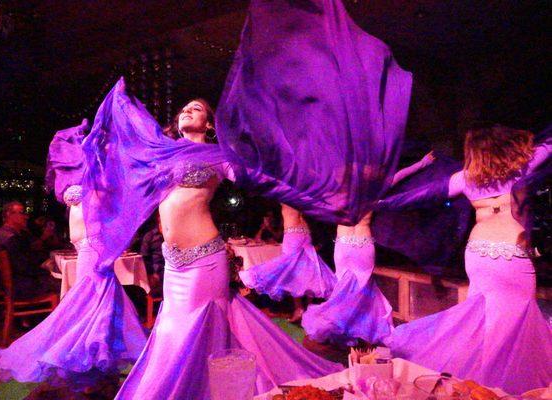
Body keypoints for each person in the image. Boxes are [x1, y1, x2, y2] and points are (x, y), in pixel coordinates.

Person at [102, 94, 342, 399]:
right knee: (172, 330)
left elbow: (256, 177)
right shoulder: (164, 153)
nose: (188, 110)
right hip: (173, 263)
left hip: (205, 258)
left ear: (209, 124)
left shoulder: (219, 156)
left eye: (197, 108)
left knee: (195, 331)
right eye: (184, 108)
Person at [385, 125, 551, 394]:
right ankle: (499, 387)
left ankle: (481, 386)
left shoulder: (466, 178)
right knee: (512, 324)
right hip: (510, 257)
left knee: (481, 322)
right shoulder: (525, 166)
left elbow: (419, 196)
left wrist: (379, 204)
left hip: (477, 256)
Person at [0, 121, 147, 394]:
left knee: (95, 295)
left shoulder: (103, 170)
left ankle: (94, 365)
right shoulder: (73, 168)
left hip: (96, 241)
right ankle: (95, 366)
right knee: (93, 297)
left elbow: (116, 199)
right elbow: (62, 142)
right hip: (83, 244)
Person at [302, 152, 436, 346]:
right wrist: (422, 163)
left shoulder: (338, 190)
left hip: (345, 244)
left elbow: (311, 180)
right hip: (361, 244)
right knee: (362, 289)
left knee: (345, 289)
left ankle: (346, 329)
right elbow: (399, 176)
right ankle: (356, 330)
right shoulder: (372, 190)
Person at [240, 204, 337, 323]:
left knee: (294, 271)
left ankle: (300, 309)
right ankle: (307, 309)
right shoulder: (301, 195)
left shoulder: (287, 192)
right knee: (307, 269)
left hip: (294, 234)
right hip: (305, 233)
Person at [0, 201, 59, 300]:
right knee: (64, 282)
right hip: (20, 286)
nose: (26, 217)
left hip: (9, 283)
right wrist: (48, 270)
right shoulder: (11, 238)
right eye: (22, 213)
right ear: (9, 214)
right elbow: (24, 266)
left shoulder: (0, 232)